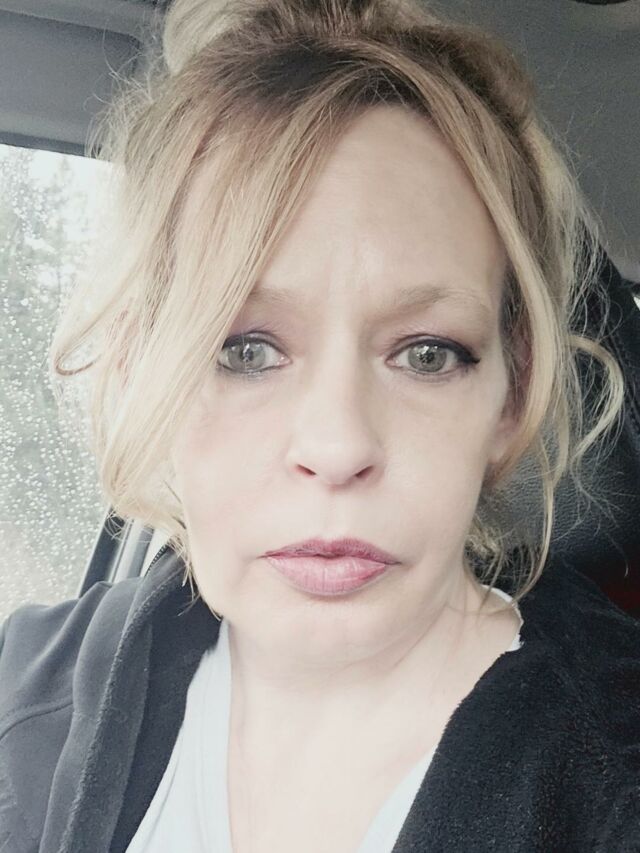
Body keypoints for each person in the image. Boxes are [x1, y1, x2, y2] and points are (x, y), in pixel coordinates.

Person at [1, 0, 638, 850]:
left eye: (427, 353)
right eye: (245, 349)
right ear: (140, 367)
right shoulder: (25, 697)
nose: (338, 447)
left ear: (512, 393)